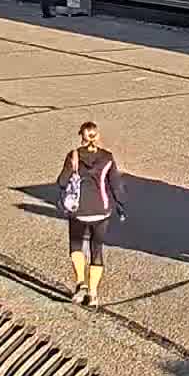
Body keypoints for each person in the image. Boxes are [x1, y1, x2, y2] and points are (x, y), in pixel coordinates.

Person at [60, 121, 124, 305]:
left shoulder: (73, 156)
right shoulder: (108, 157)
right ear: (97, 136)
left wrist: (71, 172)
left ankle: (81, 284)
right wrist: (121, 204)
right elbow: (116, 186)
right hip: (101, 210)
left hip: (79, 210)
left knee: (76, 246)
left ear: (81, 135)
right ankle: (94, 293)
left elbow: (62, 181)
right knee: (96, 250)